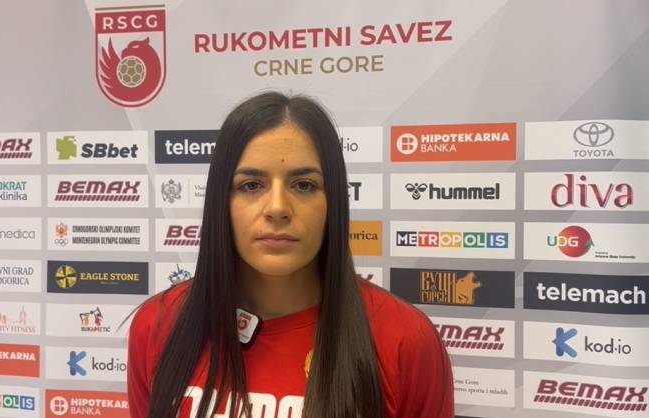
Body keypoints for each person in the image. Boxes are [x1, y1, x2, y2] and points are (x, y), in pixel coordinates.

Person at [127, 91, 454, 418]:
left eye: (304, 185)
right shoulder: (158, 325)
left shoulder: (405, 340)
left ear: (333, 201)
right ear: (221, 200)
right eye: (251, 185)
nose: (278, 208)